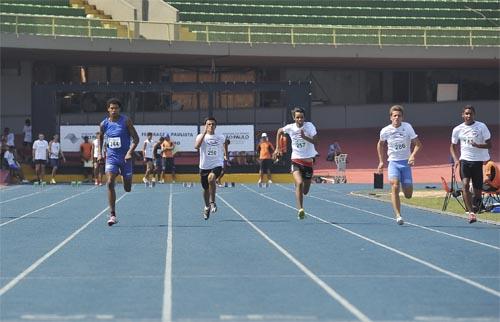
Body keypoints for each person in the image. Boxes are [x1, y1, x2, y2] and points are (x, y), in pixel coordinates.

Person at [377, 105, 422, 225]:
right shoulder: (385, 130)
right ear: (391, 117)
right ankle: (398, 215)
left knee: (408, 195)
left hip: (405, 163)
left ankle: (404, 183)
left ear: (402, 117)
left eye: (399, 116)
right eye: (394, 115)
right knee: (395, 186)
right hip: (393, 163)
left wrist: (412, 156)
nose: (397, 118)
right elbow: (380, 144)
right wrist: (381, 161)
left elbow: (418, 144)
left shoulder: (407, 127)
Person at [98, 98, 139, 226]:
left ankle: (125, 177)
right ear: (108, 109)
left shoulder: (126, 121)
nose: (114, 110)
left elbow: (136, 139)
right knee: (110, 183)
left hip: (125, 158)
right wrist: (99, 153)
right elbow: (99, 137)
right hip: (111, 158)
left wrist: (129, 152)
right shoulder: (104, 124)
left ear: (119, 109)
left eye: (116, 108)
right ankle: (112, 214)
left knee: (127, 189)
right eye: (112, 108)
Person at [273, 107, 318, 219]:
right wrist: (277, 148)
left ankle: (300, 190)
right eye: (297, 117)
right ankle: (300, 210)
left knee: (306, 191)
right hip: (296, 160)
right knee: (299, 183)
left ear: (304, 118)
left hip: (308, 162)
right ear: (294, 118)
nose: (300, 119)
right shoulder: (290, 127)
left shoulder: (309, 126)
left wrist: (305, 137)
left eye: (301, 117)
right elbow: (279, 131)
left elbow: (316, 141)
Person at [450, 105, 491, 223]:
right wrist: (456, 159)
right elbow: (452, 146)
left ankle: (476, 205)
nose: (468, 116)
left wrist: (478, 145)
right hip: (465, 161)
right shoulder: (457, 129)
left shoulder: (481, 126)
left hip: (477, 162)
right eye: (466, 113)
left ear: (474, 115)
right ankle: (470, 212)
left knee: (478, 192)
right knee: (465, 184)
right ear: (462, 115)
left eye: (470, 113)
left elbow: (489, 145)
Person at [195, 117, 228, 220]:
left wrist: (225, 154)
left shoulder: (220, 137)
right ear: (205, 126)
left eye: (213, 124)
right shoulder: (200, 136)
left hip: (217, 164)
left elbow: (225, 143)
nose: (211, 126)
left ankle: (212, 202)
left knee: (211, 178)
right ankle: (206, 206)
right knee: (205, 189)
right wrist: (204, 133)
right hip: (204, 166)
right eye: (208, 124)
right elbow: (196, 146)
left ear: (216, 126)